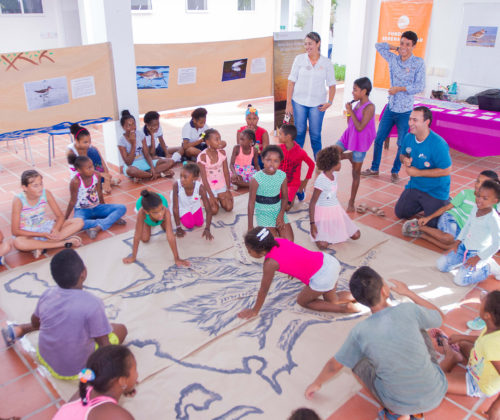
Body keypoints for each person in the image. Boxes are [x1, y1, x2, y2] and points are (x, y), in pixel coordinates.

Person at [305, 266, 447, 420]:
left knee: (357, 363)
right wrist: (409, 293)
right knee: (420, 328)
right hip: (437, 392)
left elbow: (335, 365)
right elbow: (439, 317)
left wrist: (317, 383)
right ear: (384, 290)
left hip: (398, 403)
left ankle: (395, 412)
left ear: (359, 300)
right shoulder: (409, 310)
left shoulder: (360, 331)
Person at [1, 249, 128, 379]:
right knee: (120, 329)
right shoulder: (93, 304)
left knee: (54, 320)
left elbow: (35, 322)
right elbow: (104, 345)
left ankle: (19, 329)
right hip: (76, 370)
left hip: (45, 356)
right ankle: (93, 377)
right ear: (83, 273)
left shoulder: (48, 294)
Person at [237, 227, 359, 319]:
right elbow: (295, 254)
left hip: (322, 276)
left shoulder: (270, 264)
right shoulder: (278, 240)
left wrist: (255, 310)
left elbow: (264, 290)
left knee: (302, 301)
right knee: (332, 299)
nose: (248, 253)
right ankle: (361, 295)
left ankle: (344, 309)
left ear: (262, 251)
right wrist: (293, 270)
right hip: (329, 262)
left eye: (249, 250)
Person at [361, 31, 425, 183]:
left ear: (414, 46)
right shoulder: (393, 59)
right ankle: (374, 168)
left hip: (405, 110)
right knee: (379, 139)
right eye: (402, 43)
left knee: (401, 143)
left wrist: (400, 89)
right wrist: (396, 47)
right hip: (391, 107)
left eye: (407, 45)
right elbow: (379, 46)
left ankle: (395, 171)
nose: (404, 47)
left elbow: (420, 86)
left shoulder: (418, 63)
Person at [435, 291, 500, 420]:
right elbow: (482, 341)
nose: (481, 299)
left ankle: (451, 358)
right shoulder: (494, 327)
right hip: (479, 362)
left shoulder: (493, 345)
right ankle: (455, 356)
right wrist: (461, 336)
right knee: (464, 344)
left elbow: (488, 346)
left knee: (436, 381)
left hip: (478, 383)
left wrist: (496, 408)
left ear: (487, 315)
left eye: (483, 301)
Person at [405, 170, 499, 249]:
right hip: (451, 218)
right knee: (448, 238)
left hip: (463, 228)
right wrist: (428, 218)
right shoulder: (465, 193)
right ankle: (419, 226)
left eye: (485, 184)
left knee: (454, 246)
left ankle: (421, 234)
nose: (478, 185)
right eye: (477, 181)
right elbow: (446, 207)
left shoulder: (493, 203)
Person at [394, 106, 452, 225]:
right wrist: (404, 159)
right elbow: (402, 155)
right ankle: (422, 203)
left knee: (433, 224)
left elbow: (446, 170)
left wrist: (418, 173)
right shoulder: (408, 137)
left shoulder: (438, 144)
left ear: (427, 122)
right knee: (400, 213)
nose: (410, 123)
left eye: (415, 120)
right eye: (410, 119)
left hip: (435, 190)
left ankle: (446, 201)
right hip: (415, 186)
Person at [437, 179, 500, 286]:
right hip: (464, 247)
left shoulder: (493, 219)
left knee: (460, 281)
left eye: (485, 198)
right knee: (441, 265)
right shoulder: (476, 208)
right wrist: (458, 241)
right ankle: (464, 261)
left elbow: (497, 244)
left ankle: (487, 267)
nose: (479, 200)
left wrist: (478, 258)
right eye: (478, 196)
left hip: (478, 253)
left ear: (495, 201)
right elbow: (467, 225)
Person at [286, 31, 336, 158]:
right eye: (305, 44)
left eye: (310, 44)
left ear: (318, 43)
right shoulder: (299, 59)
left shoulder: (326, 63)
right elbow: (291, 82)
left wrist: (330, 102)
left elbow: (332, 85)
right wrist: (288, 104)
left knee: (315, 134)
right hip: (299, 102)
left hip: (317, 104)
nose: (307, 47)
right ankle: (295, 161)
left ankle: (319, 163)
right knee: (300, 133)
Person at [11, 170, 83, 259]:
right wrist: (42, 235)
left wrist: (56, 229)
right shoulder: (18, 200)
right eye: (35, 186)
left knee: (79, 222)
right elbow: (15, 231)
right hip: (28, 233)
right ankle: (62, 243)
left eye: (41, 184)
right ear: (24, 187)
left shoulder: (46, 193)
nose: (40, 188)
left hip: (44, 227)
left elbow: (60, 216)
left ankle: (41, 246)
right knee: (18, 242)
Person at [53, 345, 137, 420]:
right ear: (122, 381)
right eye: (135, 369)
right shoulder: (118, 416)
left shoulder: (84, 391)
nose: (137, 375)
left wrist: (125, 388)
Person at [335, 77, 376, 212]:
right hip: (349, 135)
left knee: (356, 173)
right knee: (332, 154)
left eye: (355, 90)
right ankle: (348, 156)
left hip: (361, 141)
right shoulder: (356, 103)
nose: (353, 92)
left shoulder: (369, 107)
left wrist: (350, 111)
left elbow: (360, 127)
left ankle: (351, 201)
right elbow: (350, 124)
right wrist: (349, 111)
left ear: (364, 91)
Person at [64, 156, 126, 240]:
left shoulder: (96, 175)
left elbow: (99, 193)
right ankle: (108, 220)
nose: (92, 169)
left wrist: (104, 208)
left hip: (97, 207)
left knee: (122, 208)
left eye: (92, 166)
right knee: (78, 223)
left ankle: (96, 227)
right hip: (82, 210)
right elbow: (72, 201)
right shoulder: (75, 181)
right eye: (88, 168)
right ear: (79, 170)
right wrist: (65, 218)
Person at [309, 147, 360, 249]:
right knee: (323, 245)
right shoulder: (321, 180)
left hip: (335, 210)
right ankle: (324, 233)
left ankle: (333, 230)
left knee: (356, 235)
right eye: (339, 162)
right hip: (322, 214)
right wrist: (312, 224)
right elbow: (312, 203)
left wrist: (349, 156)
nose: (341, 163)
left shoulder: (334, 174)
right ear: (333, 165)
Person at [123, 189, 189, 267]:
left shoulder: (165, 211)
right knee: (144, 239)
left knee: (166, 229)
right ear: (147, 212)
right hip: (147, 219)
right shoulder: (142, 213)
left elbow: (170, 236)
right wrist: (133, 257)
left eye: (161, 209)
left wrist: (177, 258)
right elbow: (137, 235)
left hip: (161, 218)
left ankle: (158, 222)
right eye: (156, 212)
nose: (160, 214)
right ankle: (149, 224)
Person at [248, 145, 294, 242]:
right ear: (263, 160)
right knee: (274, 243)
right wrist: (250, 226)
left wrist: (281, 214)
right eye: (268, 160)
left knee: (289, 242)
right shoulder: (256, 178)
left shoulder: (282, 175)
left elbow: (285, 198)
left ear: (280, 162)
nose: (272, 164)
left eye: (276, 161)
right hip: (263, 213)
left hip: (278, 211)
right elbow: (251, 203)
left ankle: (279, 224)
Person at [117, 110, 174, 181]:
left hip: (144, 161)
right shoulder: (121, 141)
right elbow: (128, 162)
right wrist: (133, 144)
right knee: (131, 171)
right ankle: (159, 174)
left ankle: (143, 175)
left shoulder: (140, 134)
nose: (132, 127)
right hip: (133, 165)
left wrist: (152, 167)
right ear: (123, 127)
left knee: (170, 162)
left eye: (134, 124)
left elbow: (146, 154)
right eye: (129, 125)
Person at [68, 124, 121, 194]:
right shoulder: (72, 153)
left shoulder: (92, 149)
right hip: (82, 178)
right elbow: (84, 172)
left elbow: (103, 164)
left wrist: (107, 178)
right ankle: (99, 186)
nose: (88, 144)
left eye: (89, 141)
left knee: (94, 151)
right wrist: (104, 176)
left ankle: (102, 184)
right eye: (85, 142)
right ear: (77, 142)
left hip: (94, 174)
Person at [171, 162, 213, 240]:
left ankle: (192, 214)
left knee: (200, 223)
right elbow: (175, 208)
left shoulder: (200, 188)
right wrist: (178, 227)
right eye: (181, 176)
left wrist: (207, 228)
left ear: (195, 178)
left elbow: (208, 209)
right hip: (182, 207)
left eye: (185, 177)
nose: (182, 180)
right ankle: (182, 216)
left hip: (194, 206)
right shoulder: (177, 185)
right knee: (190, 224)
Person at [197, 128, 234, 214]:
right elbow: (204, 178)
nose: (219, 142)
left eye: (220, 139)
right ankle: (207, 197)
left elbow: (226, 172)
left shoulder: (222, 153)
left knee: (229, 207)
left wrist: (228, 190)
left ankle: (219, 198)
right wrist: (211, 195)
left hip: (221, 184)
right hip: (209, 186)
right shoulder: (202, 156)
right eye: (216, 140)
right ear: (208, 142)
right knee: (213, 211)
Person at [278, 124, 315, 210]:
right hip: (280, 182)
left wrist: (305, 182)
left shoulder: (300, 152)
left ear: (288, 137)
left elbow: (312, 165)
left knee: (286, 207)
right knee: (274, 203)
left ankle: (299, 191)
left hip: (293, 183)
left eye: (280, 134)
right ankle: (297, 192)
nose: (278, 136)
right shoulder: (279, 148)